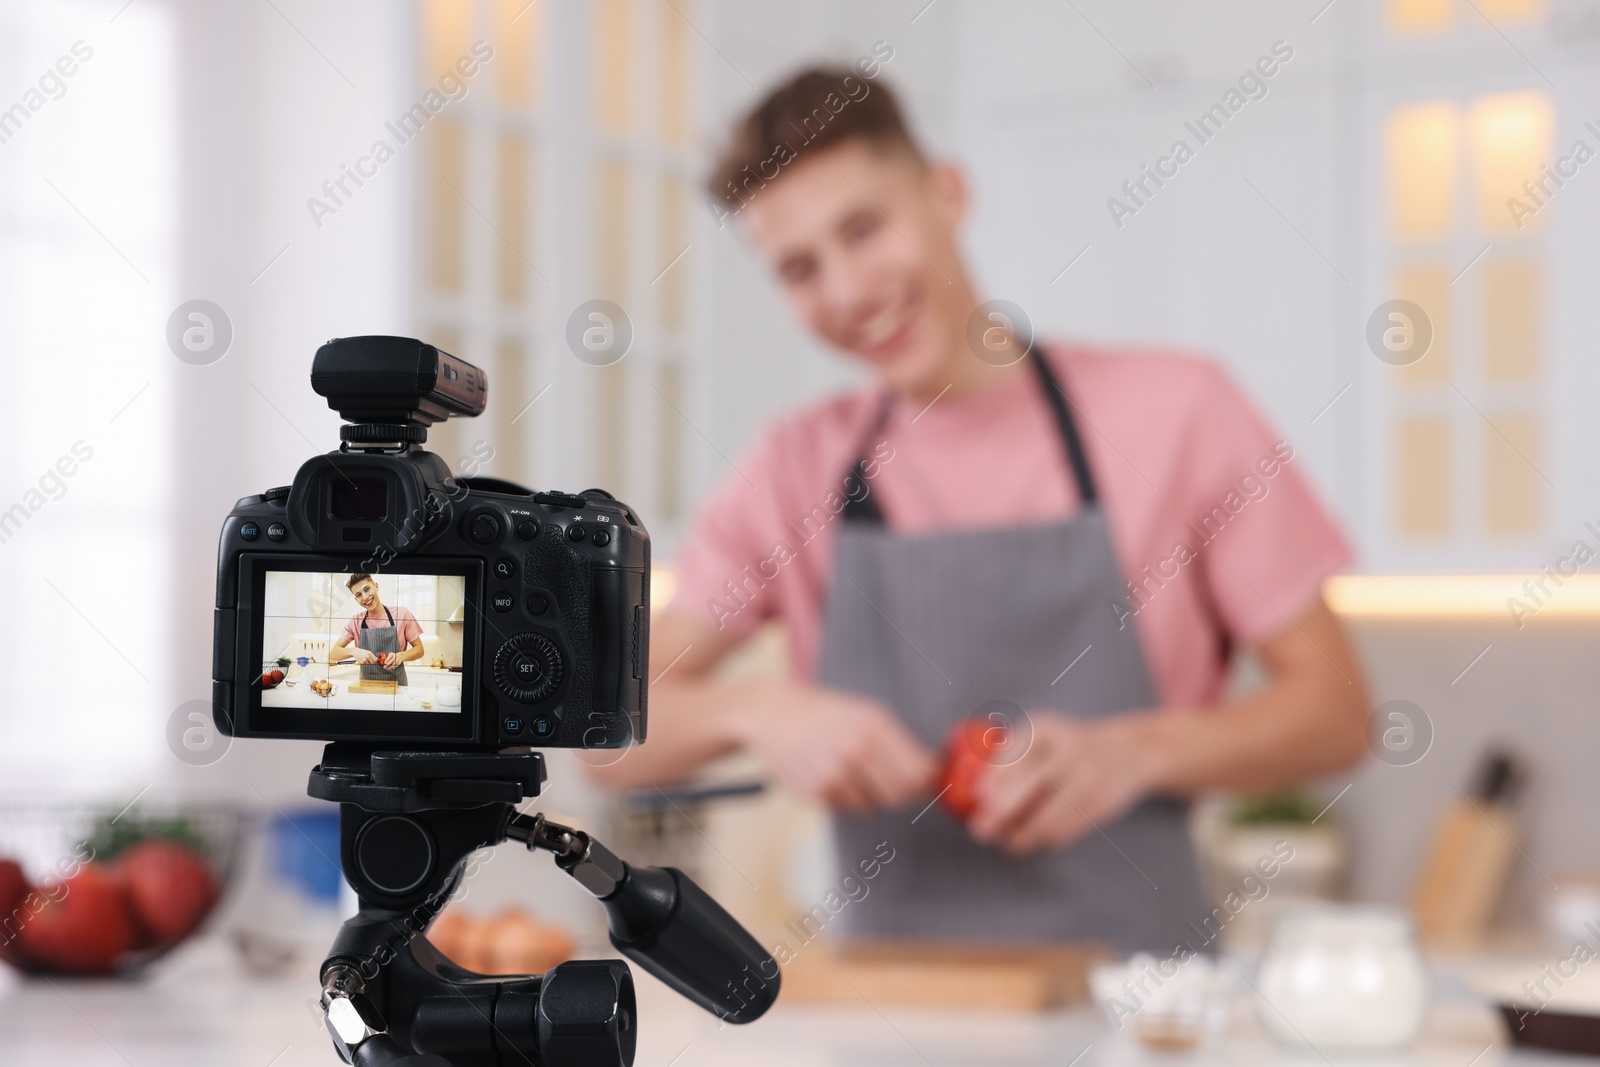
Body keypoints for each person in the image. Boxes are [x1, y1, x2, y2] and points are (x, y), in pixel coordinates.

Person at [587, 67, 1369, 952]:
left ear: (947, 193)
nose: (845, 292)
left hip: (1147, 1009)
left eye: (864, 228)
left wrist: (1134, 752)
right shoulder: (793, 468)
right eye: (800, 269)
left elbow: (1337, 710)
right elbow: (601, 736)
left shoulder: (1179, 411)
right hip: (898, 1012)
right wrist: (758, 714)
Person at [329, 572, 424, 686]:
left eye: (367, 589)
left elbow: (419, 650)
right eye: (358, 595)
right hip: (367, 688)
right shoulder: (355, 621)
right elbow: (333, 654)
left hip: (398, 687)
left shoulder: (402, 614)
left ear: (376, 586)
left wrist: (401, 656)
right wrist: (354, 651)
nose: (365, 597)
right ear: (356, 599)